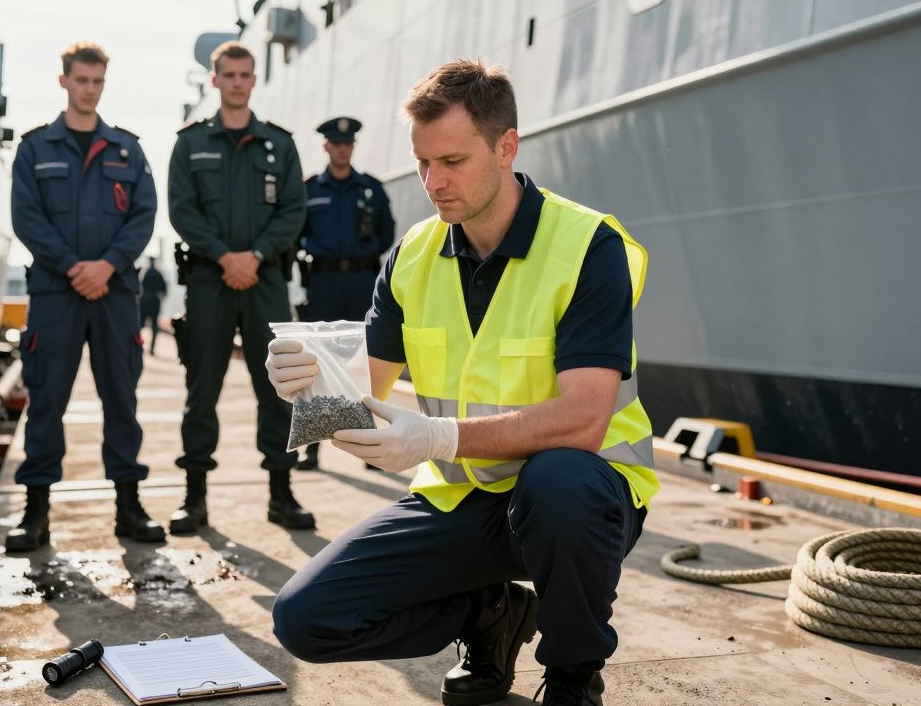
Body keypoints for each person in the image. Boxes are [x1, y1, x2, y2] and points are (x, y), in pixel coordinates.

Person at [267, 60, 660, 706]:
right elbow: (370, 383)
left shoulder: (587, 246)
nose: (433, 182)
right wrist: (313, 385)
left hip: (584, 496)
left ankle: (572, 672)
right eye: (423, 163)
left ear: (506, 147)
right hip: (470, 499)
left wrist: (438, 436)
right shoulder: (414, 257)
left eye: (451, 161)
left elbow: (587, 418)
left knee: (558, 482)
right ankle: (491, 615)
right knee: (305, 619)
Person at [7, 42, 164, 551]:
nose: (89, 90)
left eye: (97, 82)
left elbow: (143, 214)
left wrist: (107, 265)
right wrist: (75, 267)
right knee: (46, 399)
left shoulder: (126, 149)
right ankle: (35, 514)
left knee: (122, 398)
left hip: (115, 294)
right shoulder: (35, 148)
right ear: (64, 82)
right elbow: (26, 217)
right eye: (81, 81)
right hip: (56, 293)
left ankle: (128, 506)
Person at [166, 41, 315, 534]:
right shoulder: (190, 143)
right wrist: (225, 256)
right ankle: (195, 498)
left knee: (277, 388)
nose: (236, 82)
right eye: (228, 74)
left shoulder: (279, 143)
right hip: (210, 280)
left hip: (264, 280)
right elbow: (182, 210)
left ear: (253, 80)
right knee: (201, 388)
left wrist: (251, 257)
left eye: (244, 74)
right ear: (215, 80)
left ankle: (281, 493)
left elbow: (294, 209)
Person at [295, 116, 395, 471]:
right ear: (326, 146)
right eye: (336, 143)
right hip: (322, 283)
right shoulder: (309, 190)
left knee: (366, 364)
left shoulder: (370, 188)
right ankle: (313, 447)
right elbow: (296, 233)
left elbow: (386, 233)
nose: (342, 148)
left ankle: (368, 444)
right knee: (317, 363)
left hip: (361, 282)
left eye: (348, 143)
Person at [139, 256, 167, 355]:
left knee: (142, 325)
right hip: (153, 302)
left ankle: (140, 346)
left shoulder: (147, 273)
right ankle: (144, 347)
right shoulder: (157, 274)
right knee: (150, 327)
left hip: (148, 302)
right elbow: (164, 290)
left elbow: (140, 288)